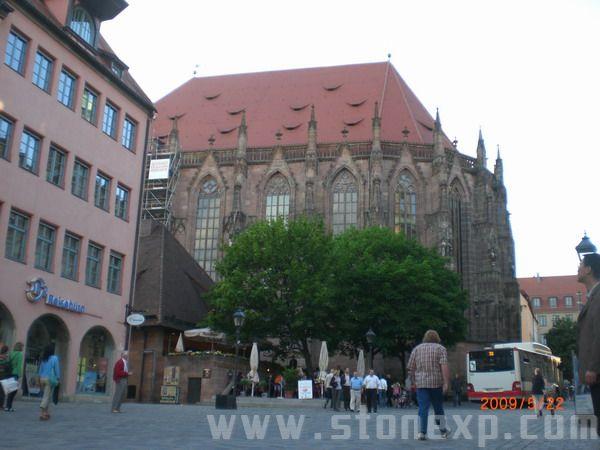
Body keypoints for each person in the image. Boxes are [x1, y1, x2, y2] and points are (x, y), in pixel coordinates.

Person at [407, 329, 451, 441]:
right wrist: (446, 382)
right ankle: (443, 431)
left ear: (425, 338)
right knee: (438, 407)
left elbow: (411, 368)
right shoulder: (441, 349)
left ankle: (422, 432)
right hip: (436, 383)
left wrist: (413, 381)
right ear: (437, 338)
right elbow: (444, 366)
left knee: (423, 408)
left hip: (421, 383)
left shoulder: (417, 349)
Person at [576, 252, 600, 435]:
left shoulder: (598, 297)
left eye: (581, 265)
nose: (578, 268)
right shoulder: (593, 296)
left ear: (589, 269)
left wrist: (593, 368)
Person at [38, 344, 60, 420]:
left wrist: (39, 379)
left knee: (47, 396)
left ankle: (46, 412)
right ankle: (42, 413)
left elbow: (40, 370)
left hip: (42, 378)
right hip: (49, 379)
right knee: (46, 396)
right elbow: (56, 369)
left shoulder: (44, 358)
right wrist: (58, 377)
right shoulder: (55, 358)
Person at [5, 342, 23, 411]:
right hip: (15, 373)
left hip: (9, 372)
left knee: (10, 390)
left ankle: (8, 406)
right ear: (20, 347)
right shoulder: (20, 354)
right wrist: (20, 374)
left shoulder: (11, 353)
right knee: (14, 391)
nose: (22, 348)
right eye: (22, 346)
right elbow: (19, 365)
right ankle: (9, 407)